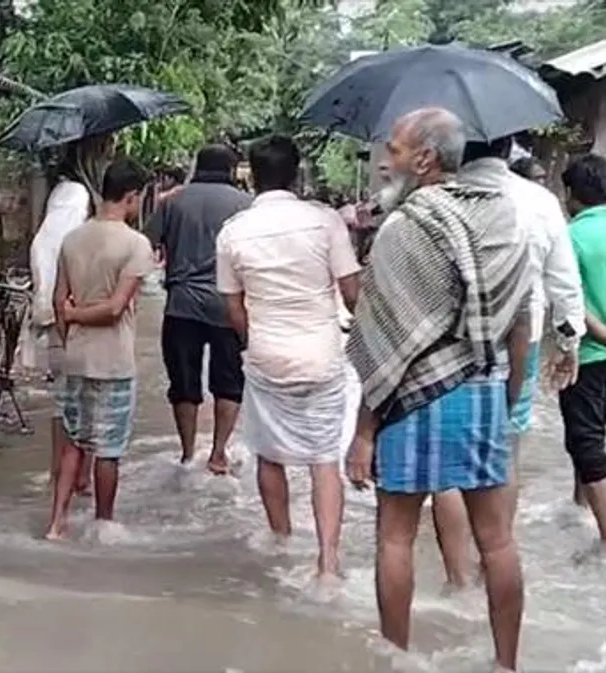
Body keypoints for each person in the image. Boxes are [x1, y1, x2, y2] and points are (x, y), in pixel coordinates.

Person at [345, 108, 532, 673]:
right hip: (480, 390)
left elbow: (383, 340)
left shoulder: (404, 229)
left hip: (410, 399)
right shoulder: (505, 220)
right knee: (496, 540)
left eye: (395, 150)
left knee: (395, 537)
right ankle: (506, 664)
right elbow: (520, 326)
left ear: (424, 159)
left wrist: (362, 432)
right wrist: (504, 397)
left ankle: (395, 660)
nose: (384, 160)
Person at [428, 136, 588, 589]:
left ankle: (457, 578)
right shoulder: (539, 201)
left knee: (446, 460)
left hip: (447, 344)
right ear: (507, 151)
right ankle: (493, 555)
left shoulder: (437, 199)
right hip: (523, 340)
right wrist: (570, 340)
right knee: (505, 451)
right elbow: (563, 280)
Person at [215, 136, 361, 580]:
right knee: (324, 459)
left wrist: (253, 340)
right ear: (296, 174)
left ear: (252, 176)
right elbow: (353, 293)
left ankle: (279, 540)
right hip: (320, 353)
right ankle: (328, 562)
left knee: (268, 452)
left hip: (266, 354)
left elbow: (233, 307)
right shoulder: (325, 222)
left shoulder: (234, 231)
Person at [45, 158, 154, 540]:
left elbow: (59, 302)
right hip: (113, 362)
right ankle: (104, 525)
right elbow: (114, 309)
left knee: (74, 442)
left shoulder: (72, 239)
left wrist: (71, 324)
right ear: (132, 196)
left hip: (75, 357)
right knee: (108, 450)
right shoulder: (136, 244)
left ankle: (56, 523)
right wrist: (78, 316)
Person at [146, 144, 251, 474]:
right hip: (228, 307)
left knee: (184, 383)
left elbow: (148, 243)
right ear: (230, 170)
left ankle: (188, 452)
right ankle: (219, 453)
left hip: (182, 305)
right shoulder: (246, 206)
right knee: (229, 381)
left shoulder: (172, 202)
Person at [29, 135, 114, 496]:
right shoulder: (75, 195)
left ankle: (68, 478)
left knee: (72, 398)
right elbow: (48, 248)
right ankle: (72, 479)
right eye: (107, 147)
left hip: (69, 312)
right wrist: (58, 307)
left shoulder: (70, 193)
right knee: (79, 399)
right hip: (69, 316)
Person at [559, 153, 606, 553]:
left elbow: (569, 301)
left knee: (586, 439)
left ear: (573, 195)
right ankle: (578, 506)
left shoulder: (571, 236)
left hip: (591, 354)